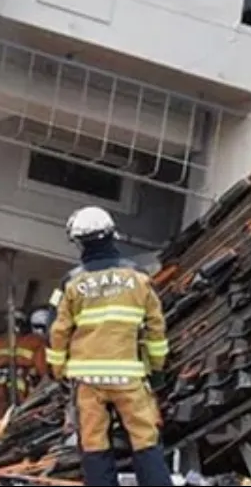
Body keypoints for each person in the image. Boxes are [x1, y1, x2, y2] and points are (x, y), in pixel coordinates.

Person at [46, 206, 172, 487]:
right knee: (144, 439)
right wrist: (157, 365)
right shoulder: (138, 277)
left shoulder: (71, 283)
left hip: (88, 382)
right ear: (112, 234)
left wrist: (58, 369)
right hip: (129, 377)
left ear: (78, 242)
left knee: (94, 444)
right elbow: (155, 325)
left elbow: (57, 330)